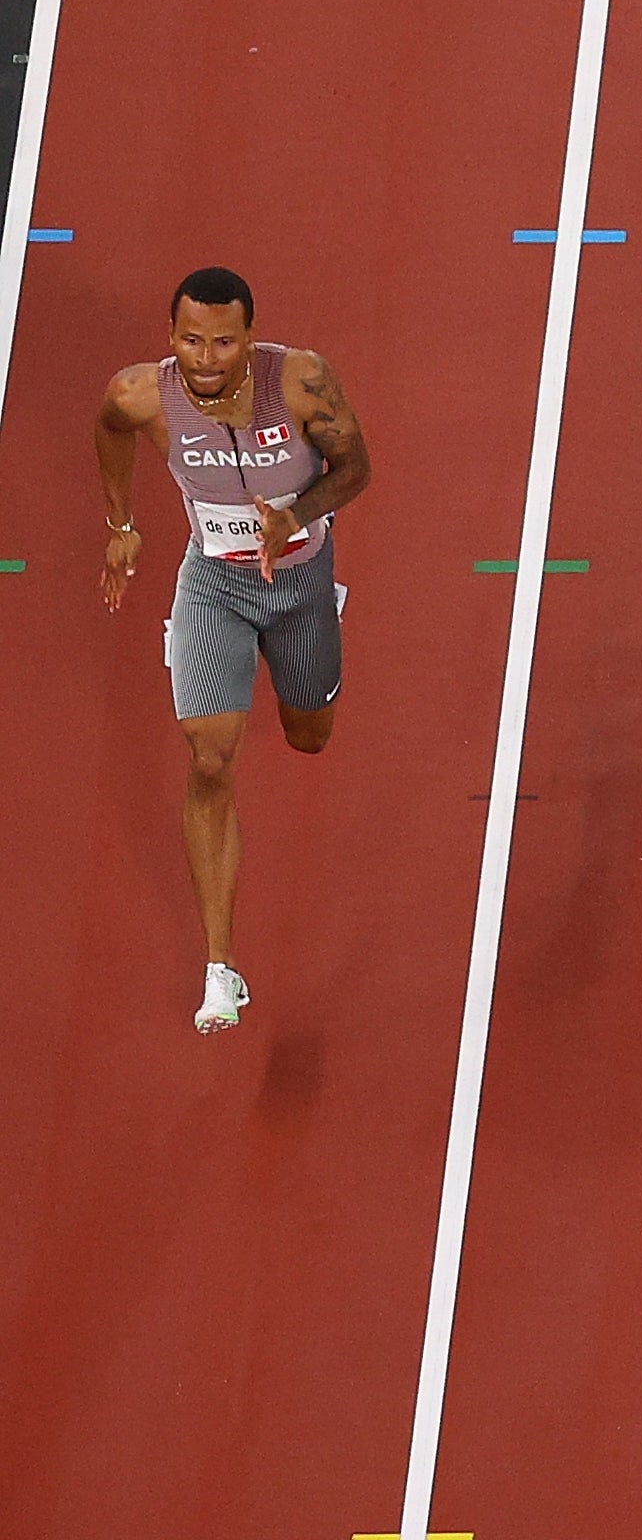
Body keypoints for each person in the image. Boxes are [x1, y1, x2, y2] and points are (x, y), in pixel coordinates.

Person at [96, 267, 370, 1035]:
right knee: (210, 757)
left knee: (308, 736)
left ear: (250, 336)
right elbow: (110, 431)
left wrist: (296, 516)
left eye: (222, 340)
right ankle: (221, 969)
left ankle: (317, 633)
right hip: (213, 585)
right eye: (190, 338)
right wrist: (122, 524)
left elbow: (356, 468)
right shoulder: (140, 394)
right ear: (169, 335)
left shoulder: (304, 380)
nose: (206, 355)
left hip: (300, 579)